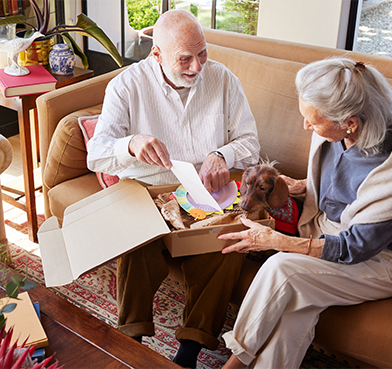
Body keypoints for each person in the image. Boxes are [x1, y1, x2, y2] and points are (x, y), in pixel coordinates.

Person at [218, 58, 392, 369]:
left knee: (282, 268)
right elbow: (350, 181)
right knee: (295, 308)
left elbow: (355, 246)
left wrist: (275, 240)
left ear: (350, 122)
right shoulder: (343, 126)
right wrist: (307, 185)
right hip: (327, 232)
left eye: (314, 122)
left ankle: (234, 363)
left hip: (380, 259)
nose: (307, 126)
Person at [86, 9, 260, 368]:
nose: (197, 66)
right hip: (147, 192)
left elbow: (250, 143)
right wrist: (131, 143)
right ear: (157, 55)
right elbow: (96, 155)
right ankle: (131, 338)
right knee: (135, 243)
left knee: (229, 247)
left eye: (203, 53)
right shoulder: (126, 85)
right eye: (185, 58)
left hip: (206, 194)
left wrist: (221, 154)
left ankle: (189, 352)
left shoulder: (223, 80)